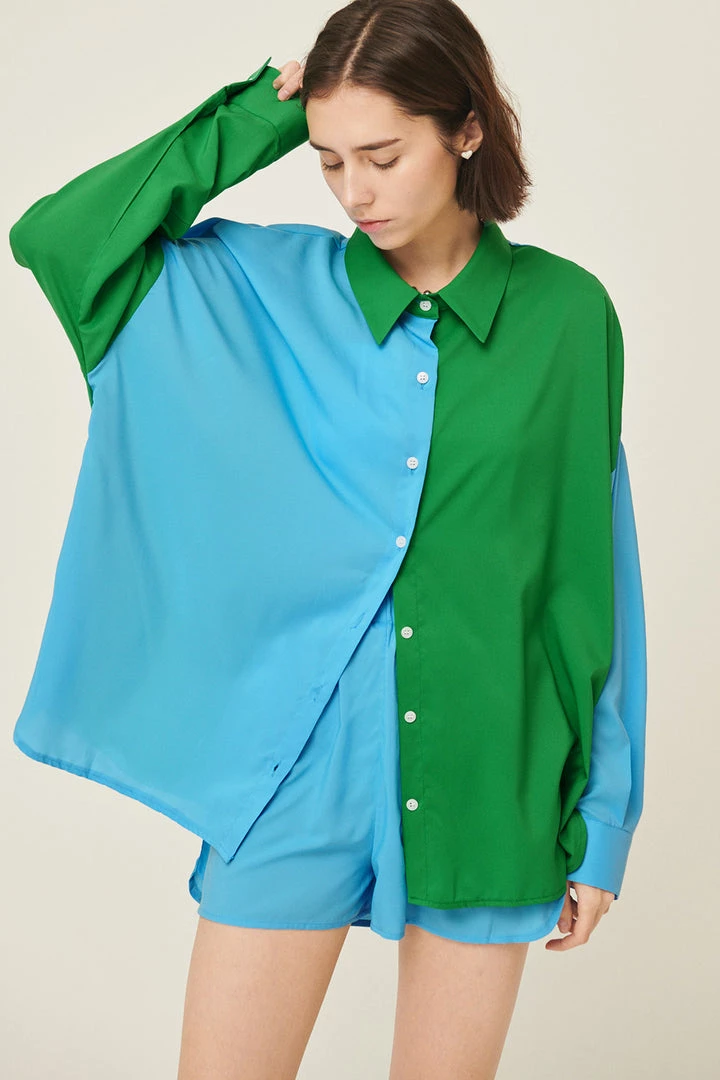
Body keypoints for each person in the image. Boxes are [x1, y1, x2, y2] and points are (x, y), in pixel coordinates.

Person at [9, 1, 647, 1077]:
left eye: (384, 157)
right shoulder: (257, 286)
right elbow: (60, 241)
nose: (356, 193)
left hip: (492, 769)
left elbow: (592, 575)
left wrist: (607, 818)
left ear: (467, 129)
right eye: (329, 161)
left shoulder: (567, 316)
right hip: (295, 769)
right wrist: (264, 112)